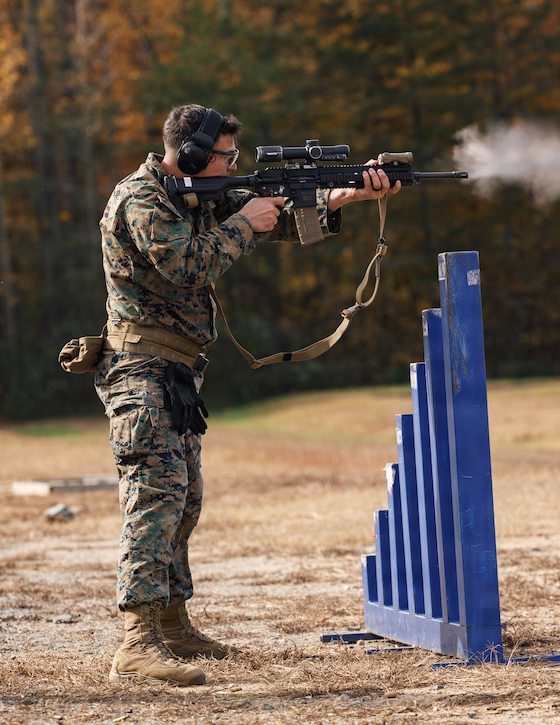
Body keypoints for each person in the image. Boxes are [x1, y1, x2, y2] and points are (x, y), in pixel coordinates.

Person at [95, 103, 400, 686]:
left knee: (184, 501)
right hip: (138, 366)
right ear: (188, 157)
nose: (234, 166)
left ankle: (174, 626)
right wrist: (243, 224)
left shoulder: (197, 194)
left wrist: (346, 195)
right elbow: (185, 265)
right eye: (226, 157)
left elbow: (281, 220)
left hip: (176, 371)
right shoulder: (141, 199)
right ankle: (136, 642)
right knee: (156, 494)